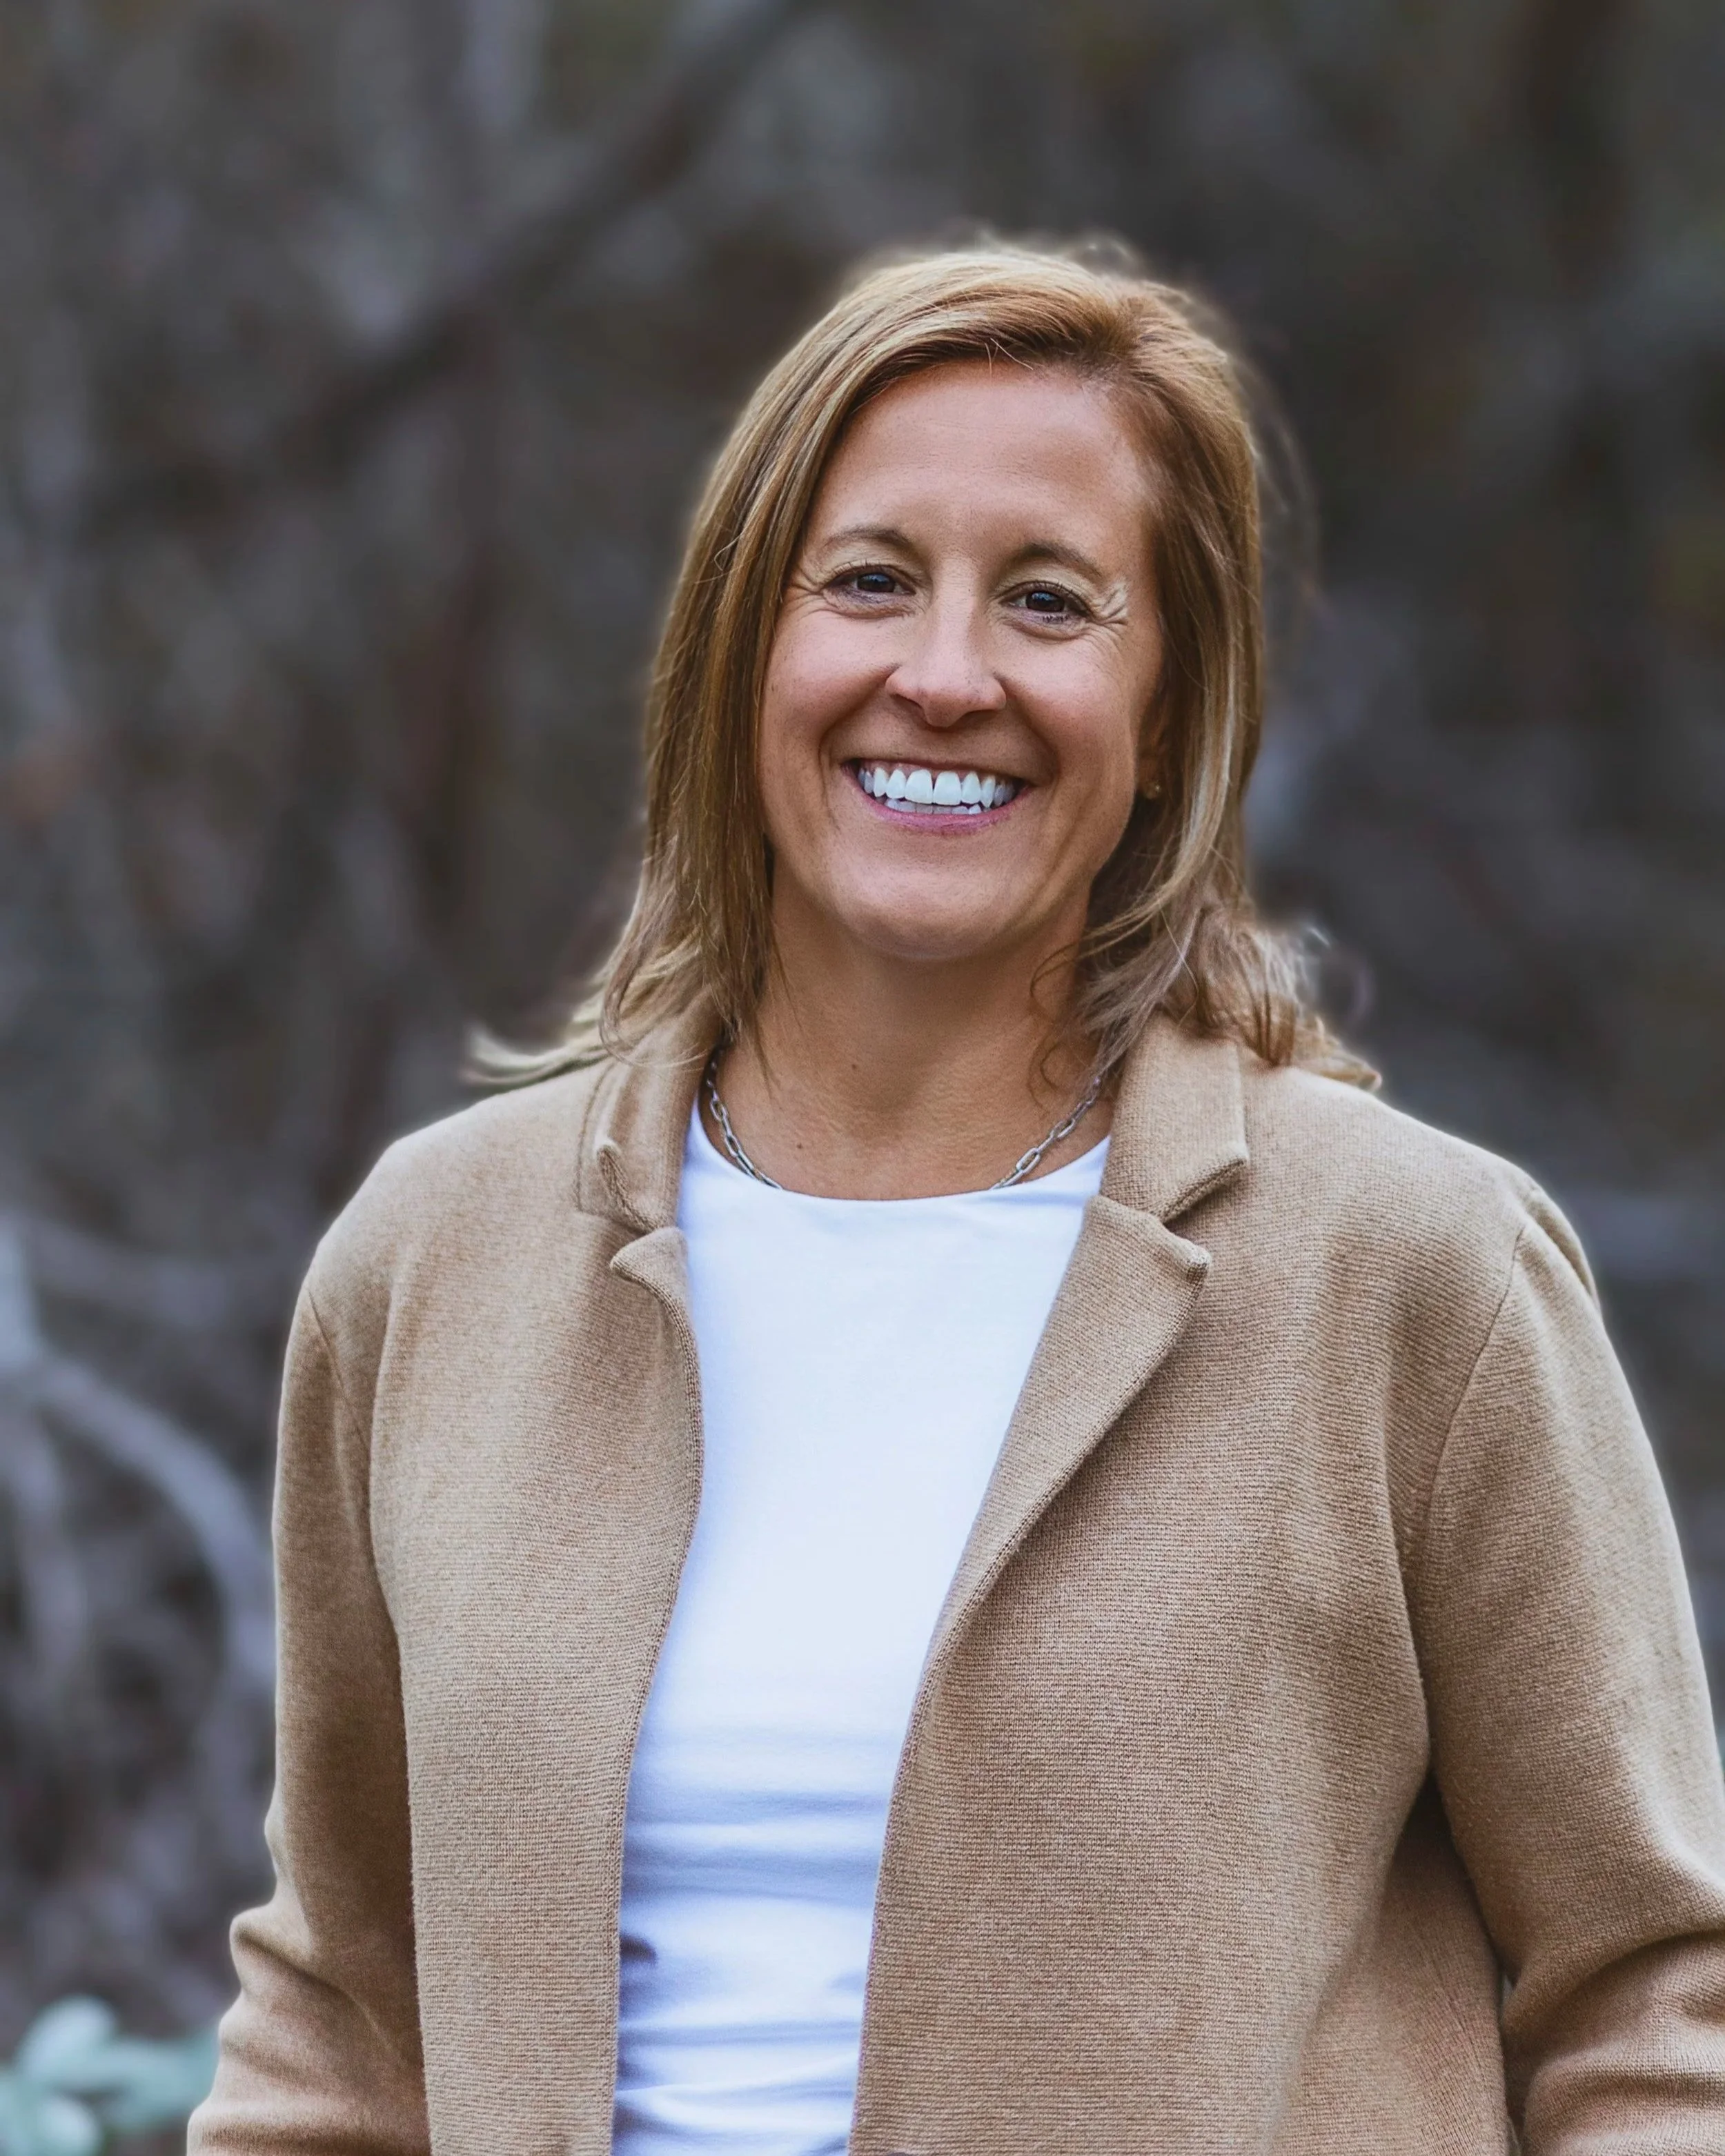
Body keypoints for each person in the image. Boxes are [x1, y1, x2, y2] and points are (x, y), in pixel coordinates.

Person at [190, 245, 1725, 2156]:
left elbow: (1659, 2002)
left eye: (1050, 602)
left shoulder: (1415, 1273)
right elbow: (342, 2009)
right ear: (744, 645)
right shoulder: (435, 1259)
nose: (941, 673)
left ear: (1166, 708)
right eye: (865, 581)